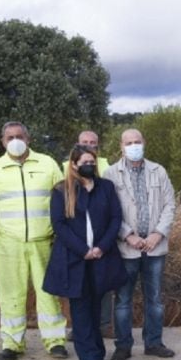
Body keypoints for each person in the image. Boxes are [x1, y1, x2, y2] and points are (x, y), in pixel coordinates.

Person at [0, 122, 68, 360]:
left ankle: (55, 341)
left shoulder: (47, 164)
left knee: (49, 292)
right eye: (10, 137)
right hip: (8, 244)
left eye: (20, 136)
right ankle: (12, 344)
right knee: (11, 295)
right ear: (2, 141)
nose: (15, 140)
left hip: (44, 242)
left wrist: (62, 237)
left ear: (29, 139)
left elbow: (62, 201)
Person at [43, 146, 127, 360]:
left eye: (92, 161)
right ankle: (89, 359)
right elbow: (59, 224)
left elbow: (115, 217)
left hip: (101, 257)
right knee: (80, 311)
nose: (89, 165)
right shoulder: (61, 190)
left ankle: (98, 355)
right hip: (75, 259)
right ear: (73, 164)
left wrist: (102, 246)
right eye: (85, 161)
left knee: (96, 308)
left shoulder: (105, 187)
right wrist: (83, 250)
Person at [104, 129, 177, 360]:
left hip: (155, 246)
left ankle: (153, 342)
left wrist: (158, 233)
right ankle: (123, 346)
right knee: (123, 300)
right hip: (127, 248)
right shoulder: (111, 174)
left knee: (154, 298)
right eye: (129, 143)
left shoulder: (159, 171)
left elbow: (170, 205)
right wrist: (128, 235)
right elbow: (108, 211)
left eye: (137, 142)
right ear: (121, 146)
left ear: (144, 143)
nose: (134, 146)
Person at [65, 130, 112, 336]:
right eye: (85, 142)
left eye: (93, 142)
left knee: (103, 287)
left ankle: (103, 326)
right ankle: (79, 329)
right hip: (77, 244)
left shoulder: (106, 168)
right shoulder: (65, 171)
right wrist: (80, 247)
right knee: (78, 288)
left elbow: (113, 211)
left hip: (102, 242)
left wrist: (102, 245)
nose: (90, 145)